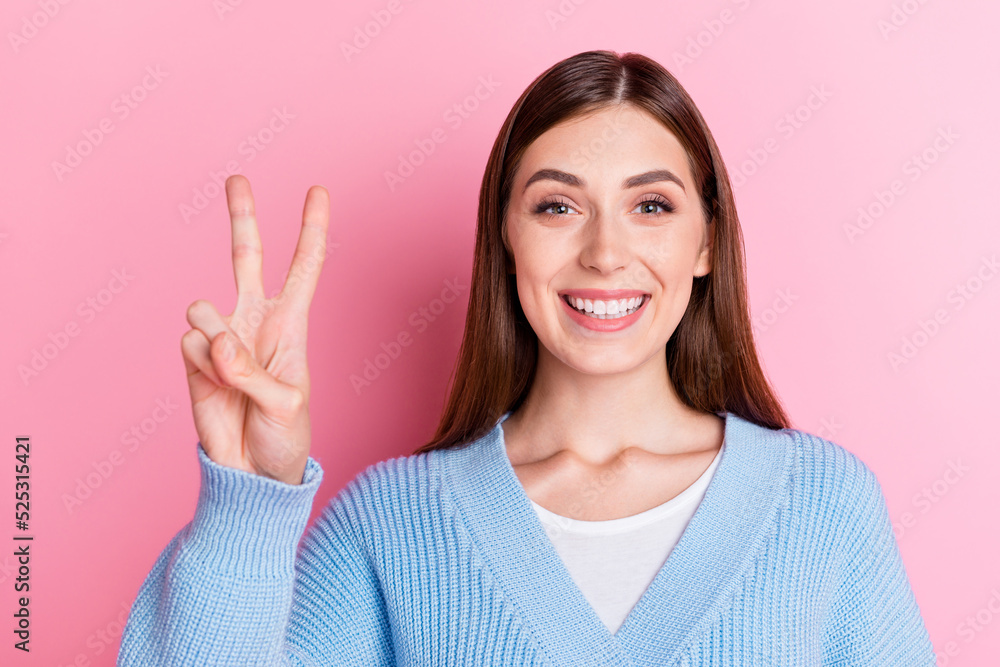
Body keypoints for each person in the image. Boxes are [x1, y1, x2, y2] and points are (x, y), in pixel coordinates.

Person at [117, 50, 936, 666]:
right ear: (506, 239)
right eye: (556, 206)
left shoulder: (827, 507)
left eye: (651, 205)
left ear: (706, 242)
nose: (606, 253)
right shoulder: (388, 528)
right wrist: (247, 500)